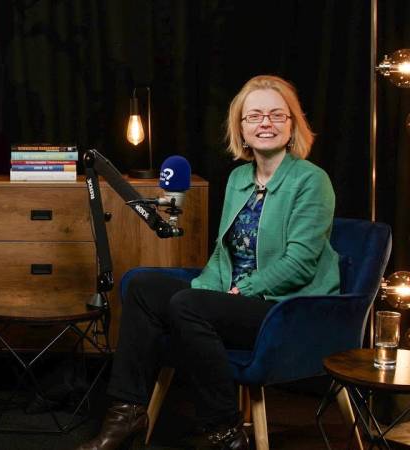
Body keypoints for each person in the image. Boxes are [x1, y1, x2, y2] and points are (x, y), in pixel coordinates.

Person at [74, 74, 340, 450]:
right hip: (234, 298)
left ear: (293, 124)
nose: (265, 123)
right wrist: (205, 290)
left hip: (284, 308)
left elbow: (300, 263)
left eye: (277, 115)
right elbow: (222, 253)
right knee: (143, 285)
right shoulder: (239, 178)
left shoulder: (311, 181)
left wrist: (240, 290)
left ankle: (225, 430)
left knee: (187, 305)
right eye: (254, 116)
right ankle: (126, 413)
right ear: (241, 128)